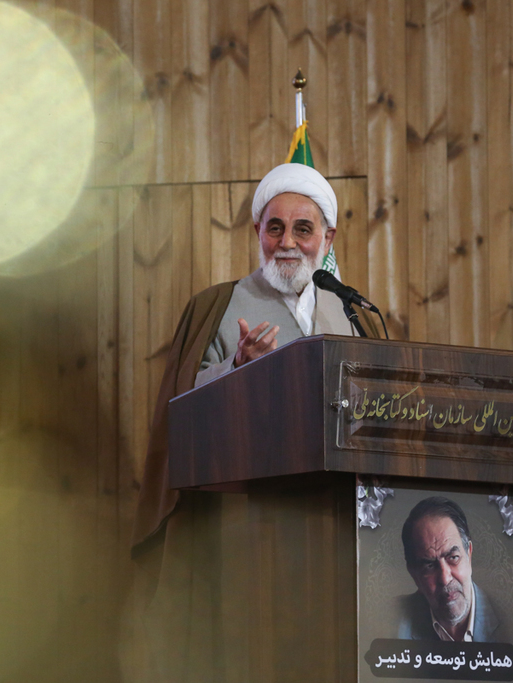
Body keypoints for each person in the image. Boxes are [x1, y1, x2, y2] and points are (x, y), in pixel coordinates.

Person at [131, 163, 365, 554]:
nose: (287, 242)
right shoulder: (216, 306)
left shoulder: (350, 313)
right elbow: (183, 405)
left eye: (302, 229)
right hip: (244, 519)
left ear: (327, 238)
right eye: (275, 228)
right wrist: (237, 367)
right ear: (258, 232)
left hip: (337, 515)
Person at [396, 497, 504, 642]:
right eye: (429, 565)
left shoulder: (509, 617)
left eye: (453, 557)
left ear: (469, 554)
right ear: (413, 573)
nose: (445, 578)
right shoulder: (391, 622)